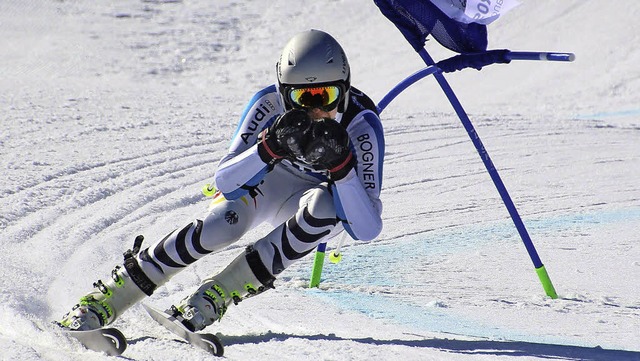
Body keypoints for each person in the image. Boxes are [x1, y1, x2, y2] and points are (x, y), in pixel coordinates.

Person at [59, 29, 385, 333]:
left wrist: (342, 169)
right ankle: (110, 297)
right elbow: (226, 181)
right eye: (303, 98)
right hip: (269, 184)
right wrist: (268, 148)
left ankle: (216, 295)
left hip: (310, 200)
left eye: (325, 95)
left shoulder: (362, 124)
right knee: (221, 224)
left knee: (325, 206)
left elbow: (365, 228)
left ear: (344, 90)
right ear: (284, 94)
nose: (316, 111)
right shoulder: (268, 104)